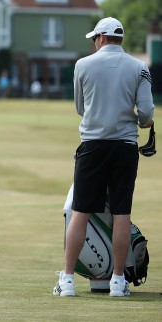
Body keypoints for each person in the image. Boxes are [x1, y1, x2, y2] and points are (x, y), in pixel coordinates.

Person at [54, 17, 154, 297]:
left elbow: (80, 107)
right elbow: (146, 112)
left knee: (81, 211)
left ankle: (68, 281)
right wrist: (140, 121)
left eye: (93, 38)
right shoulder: (139, 67)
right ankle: (118, 282)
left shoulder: (83, 65)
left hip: (93, 146)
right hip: (124, 146)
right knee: (122, 214)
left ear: (100, 38)